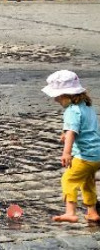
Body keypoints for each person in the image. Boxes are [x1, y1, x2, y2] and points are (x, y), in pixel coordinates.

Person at [43, 70, 100, 224]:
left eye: (58, 97)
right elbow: (84, 128)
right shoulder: (87, 107)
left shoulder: (71, 111)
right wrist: (65, 133)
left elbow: (72, 133)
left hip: (84, 157)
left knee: (68, 180)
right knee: (87, 183)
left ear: (68, 95)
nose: (55, 100)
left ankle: (70, 212)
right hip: (96, 156)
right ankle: (92, 212)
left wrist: (66, 153)